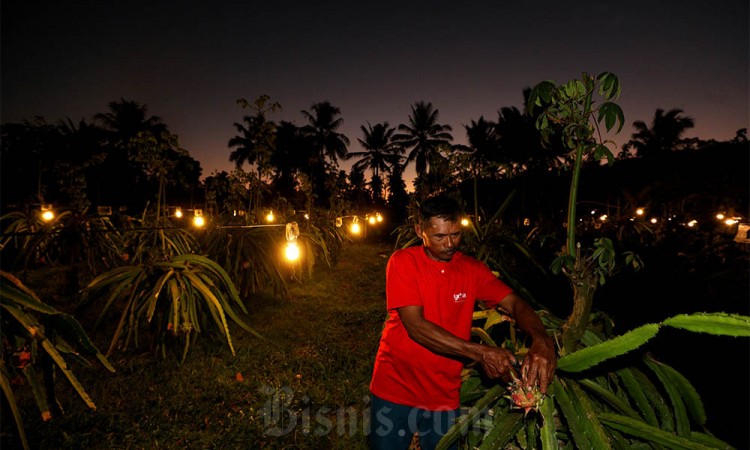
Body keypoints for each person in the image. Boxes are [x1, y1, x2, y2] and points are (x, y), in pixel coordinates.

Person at [369, 194, 557, 450]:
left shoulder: (471, 269)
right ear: (419, 231)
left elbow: (516, 303)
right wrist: (481, 353)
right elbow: (416, 327)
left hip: (444, 392)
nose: (449, 244)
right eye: (439, 237)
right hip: (396, 388)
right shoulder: (403, 262)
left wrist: (540, 339)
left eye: (456, 235)